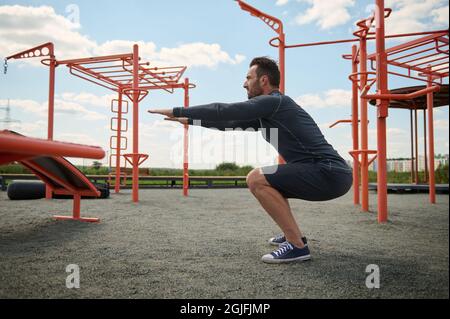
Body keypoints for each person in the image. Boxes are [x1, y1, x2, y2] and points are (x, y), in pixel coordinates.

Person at [148, 57, 353, 264]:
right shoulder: (269, 112)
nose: (244, 83)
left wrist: (178, 110)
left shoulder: (274, 102)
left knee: (256, 179)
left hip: (329, 172)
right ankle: (293, 234)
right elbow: (230, 122)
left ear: (264, 80)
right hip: (327, 173)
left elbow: (225, 110)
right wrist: (191, 120)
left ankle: (297, 246)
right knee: (271, 182)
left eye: (248, 77)